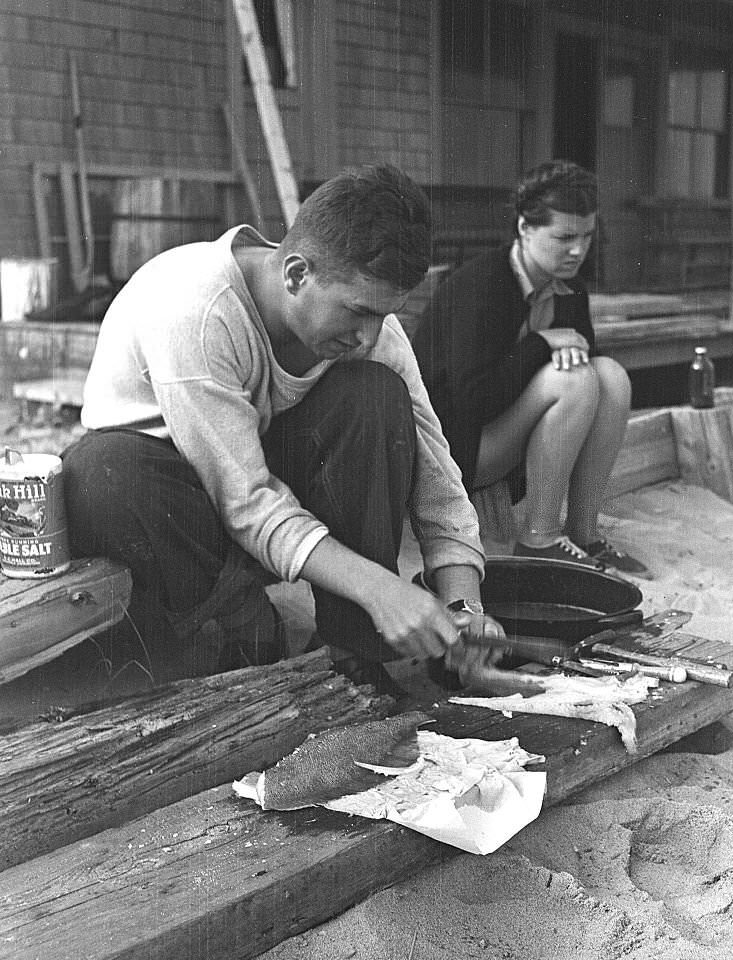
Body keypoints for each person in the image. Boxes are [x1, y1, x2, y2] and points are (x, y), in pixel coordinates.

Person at [62, 164, 505, 689]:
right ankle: (229, 628)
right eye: (358, 311)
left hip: (260, 503)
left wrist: (462, 602)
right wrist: (384, 588)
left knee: (374, 394)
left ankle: (354, 652)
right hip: (172, 513)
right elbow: (243, 500)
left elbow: (438, 475)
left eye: (386, 315)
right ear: (296, 274)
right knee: (105, 470)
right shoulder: (195, 307)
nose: (368, 336)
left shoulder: (371, 333)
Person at [414, 160, 647, 576]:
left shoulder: (568, 282)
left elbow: (583, 347)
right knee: (573, 380)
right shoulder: (482, 284)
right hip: (453, 451)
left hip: (508, 436)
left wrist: (553, 347)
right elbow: (473, 402)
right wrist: (542, 343)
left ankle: (583, 533)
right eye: (564, 238)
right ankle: (538, 538)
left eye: (587, 237)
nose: (578, 250)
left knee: (610, 375)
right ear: (524, 228)